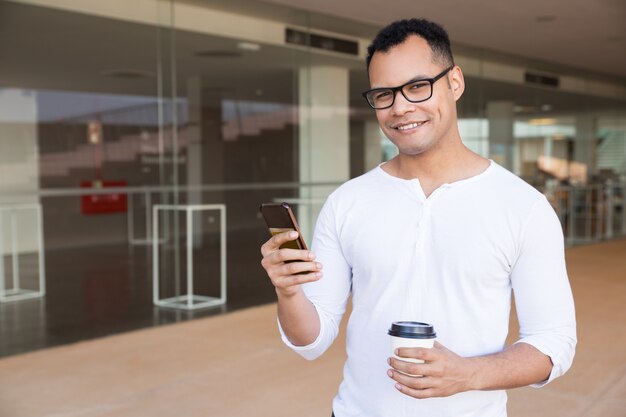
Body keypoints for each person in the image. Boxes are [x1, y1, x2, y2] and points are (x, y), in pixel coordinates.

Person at [260, 18, 576, 417]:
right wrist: (288, 292)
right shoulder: (347, 202)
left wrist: (468, 374)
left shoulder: (524, 207)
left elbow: (554, 343)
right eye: (384, 94)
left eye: (416, 86)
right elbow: (312, 340)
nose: (401, 108)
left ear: (454, 82)